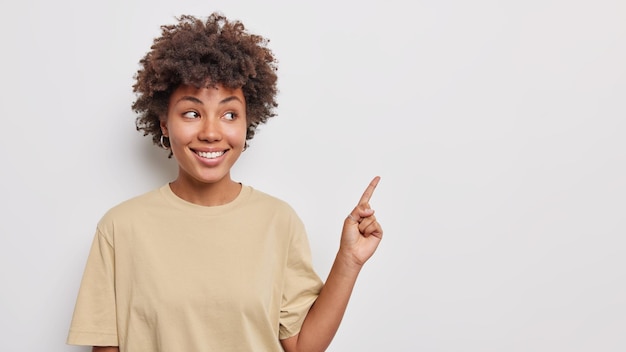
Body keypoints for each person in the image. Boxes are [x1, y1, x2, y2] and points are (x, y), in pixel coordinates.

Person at [67, 12, 383, 352]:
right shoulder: (120, 228)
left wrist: (348, 261)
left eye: (230, 114)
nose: (211, 132)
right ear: (163, 122)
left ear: (248, 122)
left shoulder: (278, 221)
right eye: (192, 112)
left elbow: (303, 346)